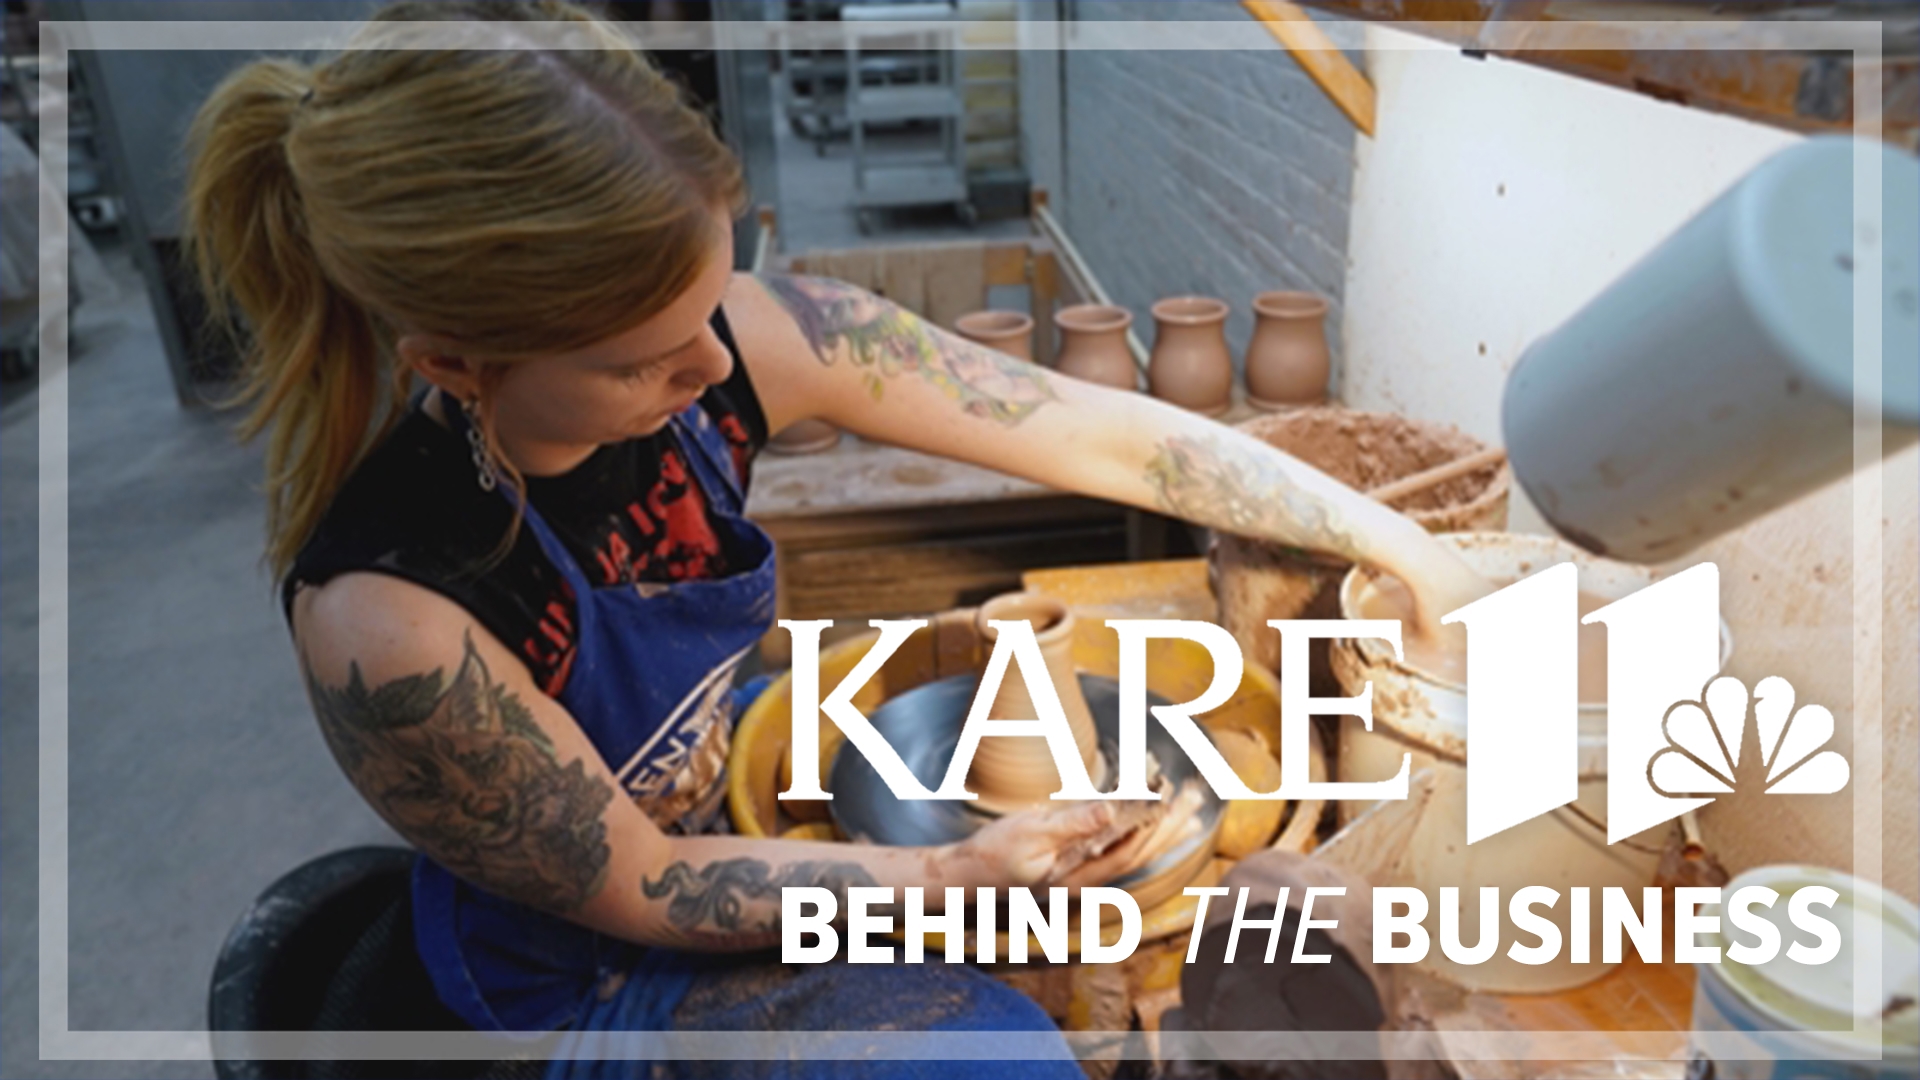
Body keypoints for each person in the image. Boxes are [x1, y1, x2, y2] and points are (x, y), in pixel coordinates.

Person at [184, 1, 1486, 1074]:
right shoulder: (392, 623)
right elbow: (642, 886)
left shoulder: (728, 339)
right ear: (456, 362)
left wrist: (1395, 539)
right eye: (644, 358)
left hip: (698, 784)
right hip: (588, 967)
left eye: (715, 292)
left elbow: (1091, 428)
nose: (715, 360)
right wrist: (963, 868)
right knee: (1003, 1059)